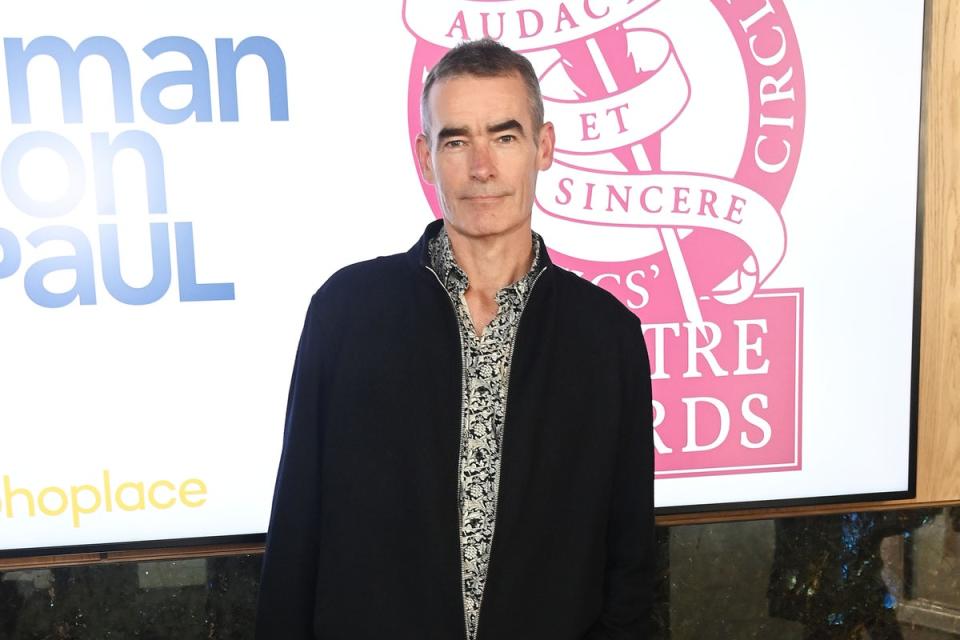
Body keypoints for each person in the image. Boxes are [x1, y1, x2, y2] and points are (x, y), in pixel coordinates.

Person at [255, 38, 655, 640]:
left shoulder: (607, 336)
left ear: (543, 147)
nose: (482, 167)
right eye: (456, 139)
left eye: (505, 135)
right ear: (425, 156)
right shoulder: (347, 313)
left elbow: (630, 560)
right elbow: (296, 531)